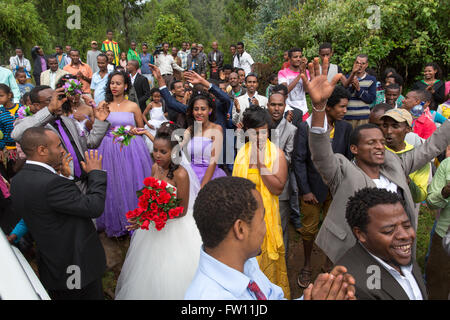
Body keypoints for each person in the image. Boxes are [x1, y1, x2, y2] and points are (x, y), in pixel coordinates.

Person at [305, 56, 450, 264]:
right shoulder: (342, 171)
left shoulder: (396, 164)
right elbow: (320, 152)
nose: (379, 146)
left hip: (394, 251)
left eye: (381, 141)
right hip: (355, 252)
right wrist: (318, 108)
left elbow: (432, 146)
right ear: (354, 149)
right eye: (370, 142)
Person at [186, 176, 356, 300]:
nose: (266, 228)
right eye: (262, 220)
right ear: (240, 229)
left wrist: (312, 298)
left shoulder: (246, 262)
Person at [11, 127, 107, 300]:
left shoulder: (18, 180)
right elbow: (93, 207)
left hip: (52, 266)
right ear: (42, 150)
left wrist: (65, 178)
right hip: (75, 266)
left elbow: (54, 207)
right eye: (58, 145)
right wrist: (96, 174)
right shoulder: (51, 183)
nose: (63, 150)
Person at [115, 122, 202, 300]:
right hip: (155, 226)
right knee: (149, 271)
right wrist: (144, 213)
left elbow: (182, 210)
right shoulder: (155, 168)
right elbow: (151, 195)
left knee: (171, 273)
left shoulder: (181, 175)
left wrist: (151, 216)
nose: (157, 155)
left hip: (176, 227)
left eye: (163, 152)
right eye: (155, 150)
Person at [293, 85, 353, 288]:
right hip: (312, 190)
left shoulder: (345, 128)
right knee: (309, 230)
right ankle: (307, 265)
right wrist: (305, 190)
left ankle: (328, 264)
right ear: (328, 107)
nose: (345, 111)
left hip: (336, 191)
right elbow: (299, 160)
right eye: (342, 107)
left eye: (346, 107)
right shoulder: (306, 127)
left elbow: (347, 158)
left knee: (334, 229)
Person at [232, 106, 290, 297]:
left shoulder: (277, 154)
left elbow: (278, 188)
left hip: (266, 221)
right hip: (243, 220)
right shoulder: (241, 153)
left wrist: (261, 164)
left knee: (266, 264)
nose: (259, 137)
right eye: (254, 133)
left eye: (263, 132)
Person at [11, 86, 110, 191]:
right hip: (58, 185)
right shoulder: (32, 125)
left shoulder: (70, 121)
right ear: (37, 106)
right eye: (50, 100)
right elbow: (16, 134)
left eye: (57, 98)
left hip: (83, 183)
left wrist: (100, 121)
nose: (56, 102)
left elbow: (91, 142)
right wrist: (49, 110)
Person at [336, 187, 427, 300]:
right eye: (389, 230)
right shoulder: (352, 287)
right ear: (361, 234)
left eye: (407, 226)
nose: (405, 235)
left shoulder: (400, 252)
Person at [95, 70, 153, 238]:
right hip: (109, 148)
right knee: (113, 183)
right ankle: (117, 222)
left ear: (126, 86)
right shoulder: (103, 105)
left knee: (130, 181)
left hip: (131, 149)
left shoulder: (133, 106)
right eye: (112, 83)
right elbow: (97, 128)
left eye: (118, 83)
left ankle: (136, 220)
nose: (114, 86)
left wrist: (134, 131)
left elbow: (140, 129)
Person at [267, 93, 297, 260]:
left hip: (281, 187)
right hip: (261, 184)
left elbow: (289, 158)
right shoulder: (260, 127)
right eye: (273, 104)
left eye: (280, 105)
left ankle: (282, 267)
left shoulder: (292, 130)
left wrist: (267, 155)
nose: (276, 108)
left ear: (285, 106)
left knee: (281, 228)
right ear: (268, 106)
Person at [380, 108, 430, 204]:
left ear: (408, 129)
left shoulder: (418, 157)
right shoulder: (374, 152)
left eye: (395, 126)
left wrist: (407, 181)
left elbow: (420, 196)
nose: (388, 131)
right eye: (385, 126)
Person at [183, 92, 227, 187]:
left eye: (203, 109)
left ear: (210, 110)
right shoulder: (190, 129)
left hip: (210, 176)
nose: (199, 112)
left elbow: (213, 161)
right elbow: (176, 147)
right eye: (196, 109)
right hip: (191, 176)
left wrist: (203, 186)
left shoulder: (216, 129)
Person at [425, 156, 450, 299]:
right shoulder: (447, 165)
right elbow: (430, 202)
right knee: (437, 288)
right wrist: (444, 192)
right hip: (443, 238)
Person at [342, 54, 377, 128]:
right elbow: (344, 95)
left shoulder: (371, 79)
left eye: (363, 63)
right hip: (348, 116)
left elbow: (371, 99)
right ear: (354, 64)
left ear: (366, 65)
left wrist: (359, 89)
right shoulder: (347, 77)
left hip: (363, 117)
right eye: (357, 63)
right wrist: (353, 87)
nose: (359, 66)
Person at [278, 48, 309, 121]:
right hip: (289, 111)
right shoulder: (282, 73)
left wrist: (303, 72)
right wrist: (299, 75)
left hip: (304, 111)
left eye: (300, 57)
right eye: (295, 57)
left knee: (304, 131)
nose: (298, 59)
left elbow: (307, 90)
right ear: (289, 59)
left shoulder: (306, 72)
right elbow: (285, 91)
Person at [141, 88, 167, 153]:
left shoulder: (161, 104)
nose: (157, 98)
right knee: (151, 139)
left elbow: (161, 113)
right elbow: (143, 115)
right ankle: (153, 152)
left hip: (161, 123)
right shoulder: (150, 104)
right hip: (153, 124)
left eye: (158, 97)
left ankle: (160, 150)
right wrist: (147, 124)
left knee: (160, 138)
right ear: (152, 96)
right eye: (155, 97)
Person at [0, 85, 17, 179]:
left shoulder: (22, 109)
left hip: (23, 147)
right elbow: (0, 132)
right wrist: (0, 148)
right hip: (9, 149)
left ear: (9, 95)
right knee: (12, 173)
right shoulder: (0, 113)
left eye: (1, 95)